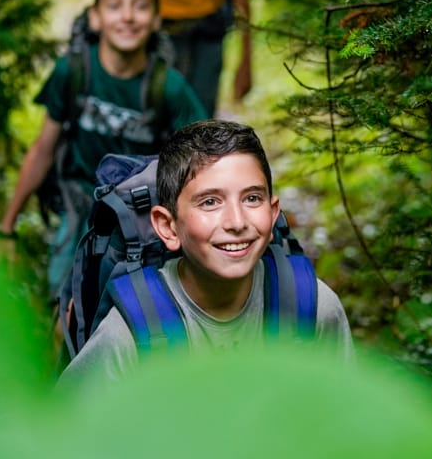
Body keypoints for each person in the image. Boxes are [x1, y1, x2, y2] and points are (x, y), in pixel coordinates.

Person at [59, 119, 353, 384]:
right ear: (168, 227)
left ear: (273, 211)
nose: (237, 222)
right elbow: (66, 435)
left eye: (252, 198)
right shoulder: (132, 335)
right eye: (210, 202)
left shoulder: (313, 309)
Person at [0, 0, 207, 303]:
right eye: (114, 5)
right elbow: (43, 149)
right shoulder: (73, 71)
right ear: (95, 16)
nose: (127, 16)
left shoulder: (169, 89)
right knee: (63, 295)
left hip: (141, 206)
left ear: (156, 19)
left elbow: (200, 163)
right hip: (78, 198)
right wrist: (7, 227)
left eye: (140, 6)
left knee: (132, 302)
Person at [124, 0, 252, 117]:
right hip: (161, 30)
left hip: (208, 31)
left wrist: (246, 62)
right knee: (157, 112)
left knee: (201, 117)